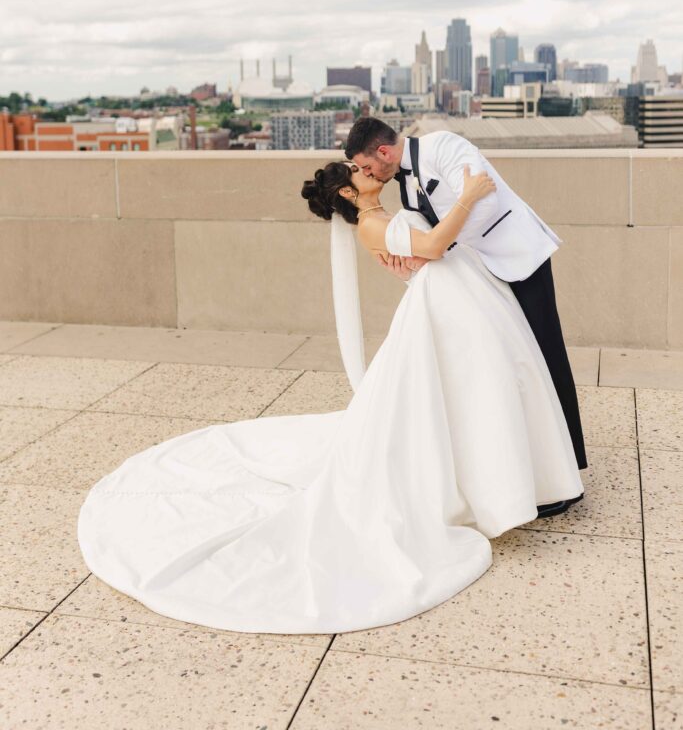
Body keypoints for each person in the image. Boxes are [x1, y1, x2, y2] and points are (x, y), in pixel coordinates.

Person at [76, 155, 584, 635]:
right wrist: (468, 197)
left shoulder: (385, 212)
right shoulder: (369, 224)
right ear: (348, 190)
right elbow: (430, 249)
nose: (368, 170)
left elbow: (417, 256)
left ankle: (510, 476)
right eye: (358, 171)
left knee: (471, 393)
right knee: (463, 395)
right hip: (444, 304)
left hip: (451, 301)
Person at [345, 116, 587, 516]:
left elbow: (484, 203)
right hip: (477, 279)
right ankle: (534, 469)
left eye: (368, 167)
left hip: (517, 259)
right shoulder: (402, 184)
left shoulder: (443, 146)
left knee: (545, 357)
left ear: (383, 152)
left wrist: (436, 247)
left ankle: (568, 470)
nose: (369, 174)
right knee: (512, 366)